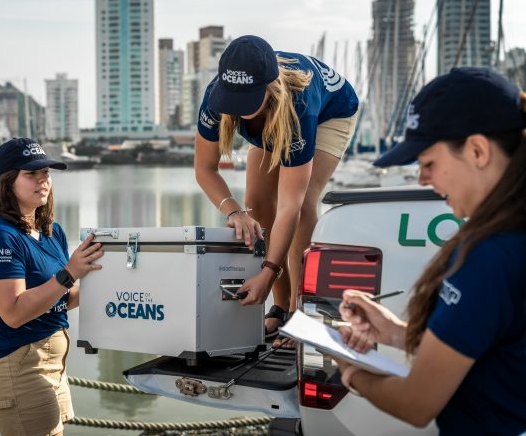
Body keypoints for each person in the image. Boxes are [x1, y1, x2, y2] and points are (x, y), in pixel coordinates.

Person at [334, 67, 526, 434]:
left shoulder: (491, 254)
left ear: (477, 151)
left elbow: (416, 404)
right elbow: (495, 350)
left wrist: (349, 370)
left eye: (428, 163)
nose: (422, 179)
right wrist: (396, 333)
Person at [195, 35, 358, 343]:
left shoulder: (299, 105)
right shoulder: (214, 97)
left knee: (304, 204)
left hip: (329, 112)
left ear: (269, 88)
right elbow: (204, 169)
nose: (238, 110)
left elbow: (290, 205)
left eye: (246, 101)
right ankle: (281, 307)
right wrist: (234, 212)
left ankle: (302, 312)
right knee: (255, 202)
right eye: (233, 101)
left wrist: (268, 271)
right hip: (272, 118)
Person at [0, 137, 104, 436]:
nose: (43, 179)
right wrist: (69, 273)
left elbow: (61, 299)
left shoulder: (51, 232)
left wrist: (106, 282)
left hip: (55, 364)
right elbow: (14, 313)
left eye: (46, 172)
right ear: (7, 183)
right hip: (18, 365)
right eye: (31, 173)